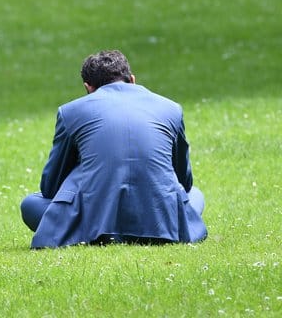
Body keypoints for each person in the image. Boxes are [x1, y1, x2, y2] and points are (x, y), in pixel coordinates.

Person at [21, 50, 207, 248]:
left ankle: (93, 231)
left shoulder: (71, 111)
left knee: (30, 204)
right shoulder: (171, 109)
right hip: (161, 223)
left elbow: (51, 186)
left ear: (88, 88)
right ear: (132, 80)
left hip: (94, 225)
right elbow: (184, 182)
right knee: (196, 194)